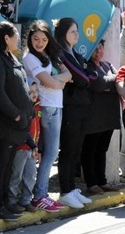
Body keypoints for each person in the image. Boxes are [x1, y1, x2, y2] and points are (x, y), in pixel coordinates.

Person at [22, 20, 71, 212]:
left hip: (56, 105)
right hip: (46, 106)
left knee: (48, 152)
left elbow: (68, 75)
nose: (40, 43)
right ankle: (39, 195)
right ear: (30, 39)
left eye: (44, 39)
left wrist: (55, 80)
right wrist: (57, 82)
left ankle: (40, 194)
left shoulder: (50, 55)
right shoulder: (29, 57)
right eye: (36, 39)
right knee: (50, 153)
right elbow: (51, 82)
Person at [54, 17, 97, 209]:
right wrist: (84, 76)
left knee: (76, 150)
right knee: (68, 149)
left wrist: (85, 76)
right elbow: (80, 77)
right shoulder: (60, 54)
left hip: (83, 106)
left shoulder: (77, 55)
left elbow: (93, 74)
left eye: (77, 31)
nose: (76, 35)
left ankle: (71, 188)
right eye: (72, 31)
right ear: (63, 33)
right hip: (71, 106)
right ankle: (65, 190)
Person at [0, 21, 35, 221]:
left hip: (18, 127)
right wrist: (16, 114)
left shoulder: (11, 57)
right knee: (2, 167)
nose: (19, 39)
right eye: (15, 35)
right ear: (6, 38)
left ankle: (6, 202)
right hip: (6, 125)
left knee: (8, 168)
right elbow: (1, 94)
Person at [81, 39, 121, 196]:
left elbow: (119, 81)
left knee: (102, 149)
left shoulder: (107, 65)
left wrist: (107, 85)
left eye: (101, 48)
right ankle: (91, 183)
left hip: (108, 115)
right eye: (95, 49)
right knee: (90, 149)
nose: (98, 52)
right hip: (93, 116)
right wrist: (109, 83)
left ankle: (102, 181)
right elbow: (98, 84)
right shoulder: (87, 67)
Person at [8, 82, 41, 213]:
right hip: (21, 148)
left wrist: (37, 148)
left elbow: (38, 130)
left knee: (31, 175)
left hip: (32, 149)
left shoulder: (37, 108)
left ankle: (26, 200)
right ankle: (12, 200)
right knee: (16, 175)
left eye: (36, 91)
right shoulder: (22, 109)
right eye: (30, 92)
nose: (34, 94)